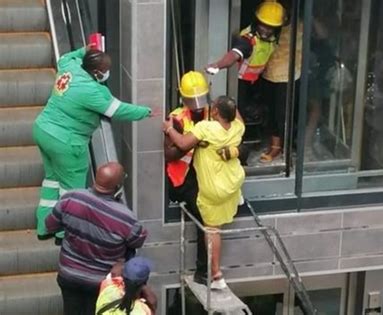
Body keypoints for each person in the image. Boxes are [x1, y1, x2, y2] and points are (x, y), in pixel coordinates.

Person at [34, 45, 160, 240]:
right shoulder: (92, 91)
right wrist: (146, 111)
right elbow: (117, 110)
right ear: (96, 72)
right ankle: (63, 230)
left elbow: (68, 56)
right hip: (66, 141)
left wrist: (85, 49)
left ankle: (44, 225)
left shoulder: (70, 67)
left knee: (52, 180)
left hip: (43, 129)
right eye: (104, 69)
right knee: (71, 188)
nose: (106, 72)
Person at [163, 96, 245, 290]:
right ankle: (214, 273)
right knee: (218, 224)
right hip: (232, 183)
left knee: (211, 229)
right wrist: (229, 102)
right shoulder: (238, 127)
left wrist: (168, 129)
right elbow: (238, 117)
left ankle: (215, 275)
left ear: (215, 112)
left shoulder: (206, 128)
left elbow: (182, 144)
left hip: (213, 188)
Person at [45, 162, 148, 315]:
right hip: (101, 283)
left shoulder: (70, 198)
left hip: (69, 274)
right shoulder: (126, 218)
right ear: (118, 186)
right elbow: (137, 241)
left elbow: (50, 225)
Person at [205, 1, 285, 127]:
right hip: (239, 83)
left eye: (270, 27)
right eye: (263, 25)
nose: (266, 30)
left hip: (257, 81)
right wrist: (218, 65)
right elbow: (234, 55)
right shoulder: (248, 40)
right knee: (238, 116)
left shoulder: (272, 39)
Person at [259, 0, 303, 162]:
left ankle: (281, 148)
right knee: (271, 111)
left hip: (288, 75)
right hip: (268, 72)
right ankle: (276, 145)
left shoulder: (299, 26)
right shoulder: (272, 24)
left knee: (282, 113)